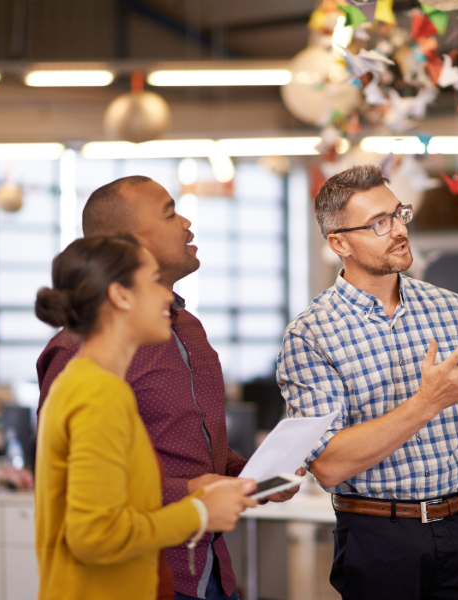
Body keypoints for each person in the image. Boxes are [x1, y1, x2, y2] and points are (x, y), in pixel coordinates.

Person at [277, 164, 458, 600]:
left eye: (399, 214)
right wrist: (427, 402)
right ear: (339, 243)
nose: (398, 230)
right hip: (378, 539)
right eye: (379, 223)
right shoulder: (311, 334)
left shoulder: (449, 308)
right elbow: (329, 463)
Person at [36, 176, 301, 600]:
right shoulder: (88, 383)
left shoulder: (178, 336)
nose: (167, 299)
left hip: (203, 568)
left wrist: (245, 478)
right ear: (122, 291)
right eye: (152, 285)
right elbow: (91, 529)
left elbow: (157, 471)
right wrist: (198, 504)